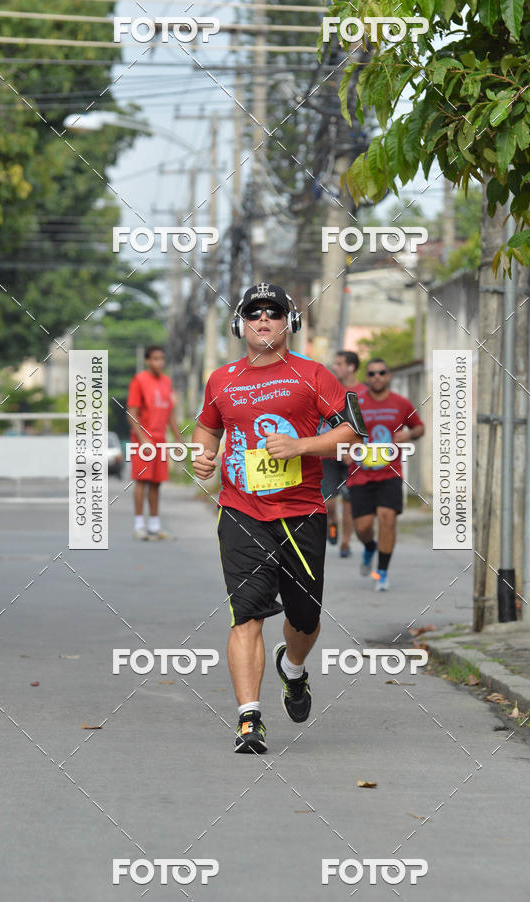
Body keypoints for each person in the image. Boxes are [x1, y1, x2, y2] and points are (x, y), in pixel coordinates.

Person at [192, 283, 365, 754]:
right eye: (254, 313)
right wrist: (204, 458)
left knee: (305, 620)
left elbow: (354, 433)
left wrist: (302, 446)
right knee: (245, 614)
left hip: (302, 512)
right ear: (240, 325)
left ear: (290, 321)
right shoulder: (221, 379)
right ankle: (249, 720)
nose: (263, 319)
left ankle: (293, 668)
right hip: (241, 512)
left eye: (273, 312)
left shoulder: (313, 375)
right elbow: (207, 429)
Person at [347, 358, 424, 590]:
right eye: (372, 374)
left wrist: (409, 435)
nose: (377, 377)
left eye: (381, 372)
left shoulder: (400, 403)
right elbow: (341, 432)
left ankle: (381, 573)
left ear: (388, 376)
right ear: (367, 378)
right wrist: (345, 451)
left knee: (387, 520)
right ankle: (370, 547)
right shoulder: (356, 404)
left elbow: (419, 427)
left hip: (390, 473)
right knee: (362, 528)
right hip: (360, 474)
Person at [127, 344, 181, 540]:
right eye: (155, 358)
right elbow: (131, 412)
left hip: (160, 440)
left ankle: (155, 525)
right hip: (143, 440)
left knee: (157, 483)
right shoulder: (139, 380)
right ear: (148, 361)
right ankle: (139, 525)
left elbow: (171, 414)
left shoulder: (166, 382)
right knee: (142, 481)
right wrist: (143, 439)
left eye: (162, 358)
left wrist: (178, 439)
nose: (160, 362)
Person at [321, 350, 361, 558]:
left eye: (339, 364)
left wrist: (354, 448)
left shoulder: (363, 392)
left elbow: (366, 424)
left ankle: (346, 543)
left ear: (351, 367)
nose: (334, 367)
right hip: (328, 454)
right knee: (329, 503)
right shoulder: (328, 390)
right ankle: (332, 525)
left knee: (348, 501)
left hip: (353, 456)